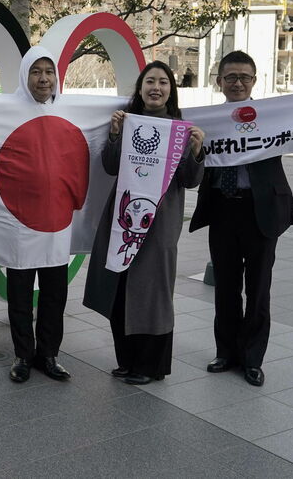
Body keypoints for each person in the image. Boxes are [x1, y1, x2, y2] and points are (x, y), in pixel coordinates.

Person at [189, 50, 293, 387]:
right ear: (219, 81)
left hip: (263, 210)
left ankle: (252, 359)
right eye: (231, 77)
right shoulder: (206, 119)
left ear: (254, 81)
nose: (238, 83)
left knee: (259, 289)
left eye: (244, 77)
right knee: (226, 288)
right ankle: (226, 353)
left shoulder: (272, 117)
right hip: (222, 209)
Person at [83, 61, 205, 384]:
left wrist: (196, 151)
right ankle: (126, 360)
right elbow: (110, 167)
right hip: (123, 221)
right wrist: (114, 135)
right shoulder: (127, 123)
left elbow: (190, 180)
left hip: (159, 226)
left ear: (171, 90)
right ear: (140, 88)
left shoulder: (180, 131)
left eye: (163, 82)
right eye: (150, 81)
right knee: (121, 289)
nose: (156, 87)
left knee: (152, 294)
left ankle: (150, 366)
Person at [5, 47, 73, 383]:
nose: (43, 79)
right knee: (19, 292)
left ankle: (48, 354)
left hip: (57, 221)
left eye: (48, 72)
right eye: (36, 71)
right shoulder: (6, 112)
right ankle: (22, 355)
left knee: (54, 293)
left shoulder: (70, 112)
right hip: (20, 220)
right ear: (25, 75)